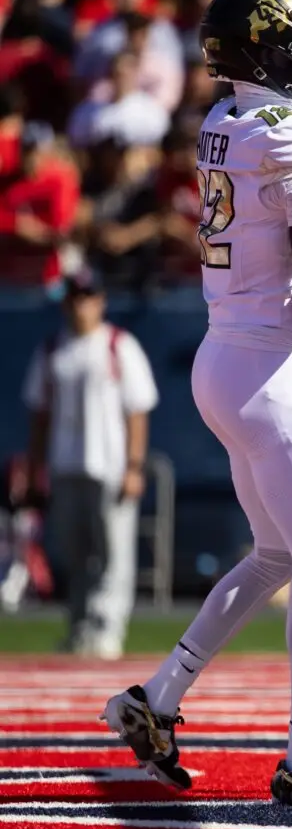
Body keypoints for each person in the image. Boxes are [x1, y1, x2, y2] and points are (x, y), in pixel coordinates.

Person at [101, 0, 292, 808]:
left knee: (279, 553)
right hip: (271, 369)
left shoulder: (222, 118)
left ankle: (155, 698)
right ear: (266, 50)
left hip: (225, 360)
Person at [22, 268, 158, 658]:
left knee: (112, 552)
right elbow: (40, 416)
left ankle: (108, 628)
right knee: (73, 551)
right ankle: (79, 626)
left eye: (89, 297)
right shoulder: (53, 351)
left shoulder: (119, 345)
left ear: (101, 301)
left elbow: (137, 411)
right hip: (66, 467)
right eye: (76, 297)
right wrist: (35, 470)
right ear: (67, 302)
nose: (82, 305)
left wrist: (134, 466)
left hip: (110, 466)